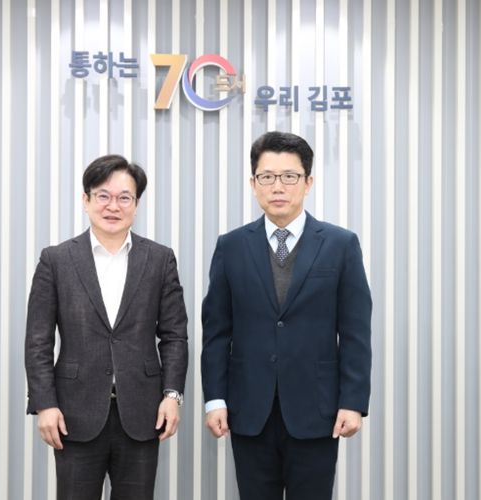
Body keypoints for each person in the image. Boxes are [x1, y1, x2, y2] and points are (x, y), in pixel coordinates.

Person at [201, 131, 372, 500]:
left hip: (318, 409)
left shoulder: (340, 245)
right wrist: (215, 399)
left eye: (289, 176)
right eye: (267, 177)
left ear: (308, 182)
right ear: (253, 184)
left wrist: (353, 401)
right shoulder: (231, 246)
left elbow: (355, 331)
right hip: (249, 408)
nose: (278, 186)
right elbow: (216, 331)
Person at [25, 154, 189, 500]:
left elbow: (174, 335)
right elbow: (38, 341)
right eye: (103, 196)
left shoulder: (159, 259)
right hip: (74, 413)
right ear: (86, 200)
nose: (113, 206)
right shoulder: (56, 260)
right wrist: (45, 404)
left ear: (136, 204)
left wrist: (172, 395)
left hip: (142, 413)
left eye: (124, 197)